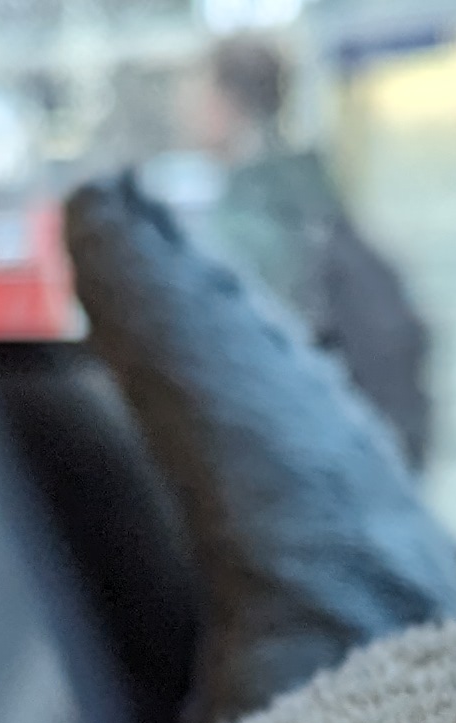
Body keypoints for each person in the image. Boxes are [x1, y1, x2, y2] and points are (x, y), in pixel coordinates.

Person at [183, 35, 436, 472]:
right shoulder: (311, 192)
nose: (184, 114)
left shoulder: (248, 220)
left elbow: (244, 368)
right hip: (365, 449)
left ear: (223, 105)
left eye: (194, 97)